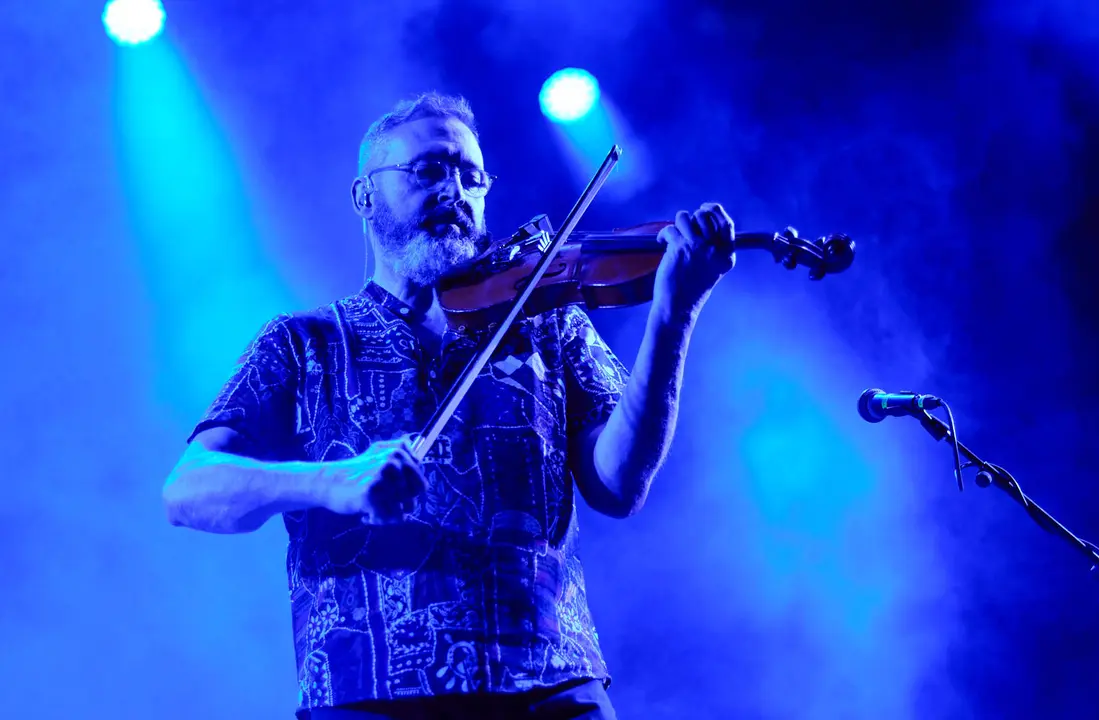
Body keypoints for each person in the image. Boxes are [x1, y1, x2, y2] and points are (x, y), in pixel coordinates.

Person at [161, 91, 736, 719]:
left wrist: (674, 313)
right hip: (370, 696)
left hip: (551, 684)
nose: (455, 191)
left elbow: (620, 484)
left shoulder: (547, 324)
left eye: (471, 176)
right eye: (429, 169)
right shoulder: (304, 344)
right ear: (364, 196)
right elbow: (188, 490)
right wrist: (330, 482)